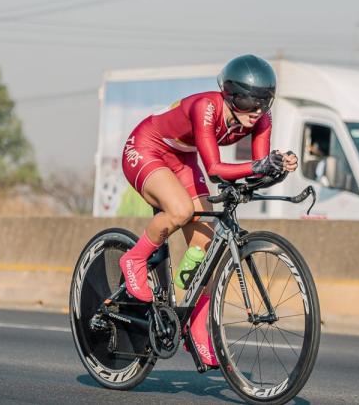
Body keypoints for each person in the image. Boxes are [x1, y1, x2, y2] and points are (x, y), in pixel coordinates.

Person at [118, 54, 298, 367]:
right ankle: (133, 257)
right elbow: (214, 169)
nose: (256, 113)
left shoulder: (261, 120)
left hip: (182, 159)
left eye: (264, 103)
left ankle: (184, 316)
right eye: (248, 102)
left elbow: (258, 170)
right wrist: (259, 165)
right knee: (181, 210)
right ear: (230, 96)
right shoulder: (207, 107)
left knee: (204, 241)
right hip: (147, 147)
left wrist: (279, 166)